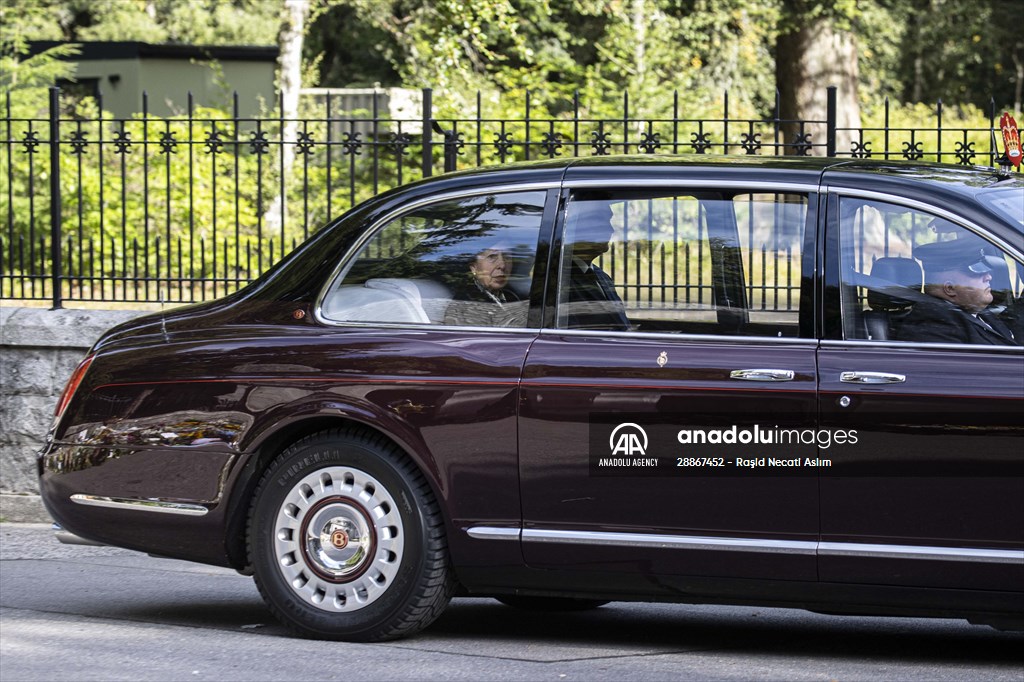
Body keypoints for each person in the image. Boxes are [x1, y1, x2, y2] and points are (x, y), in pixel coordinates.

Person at [896, 238, 1017, 345]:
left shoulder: (980, 313)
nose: (989, 277)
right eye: (978, 272)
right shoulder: (935, 324)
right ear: (950, 288)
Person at [562, 201, 630, 330]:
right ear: (578, 226)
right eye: (601, 220)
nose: (611, 229)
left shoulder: (602, 276)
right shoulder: (561, 279)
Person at [443, 242, 527, 327]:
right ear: (474, 268)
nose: (502, 265)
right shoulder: (465, 305)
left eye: (507, 257)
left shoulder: (513, 295)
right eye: (492, 257)